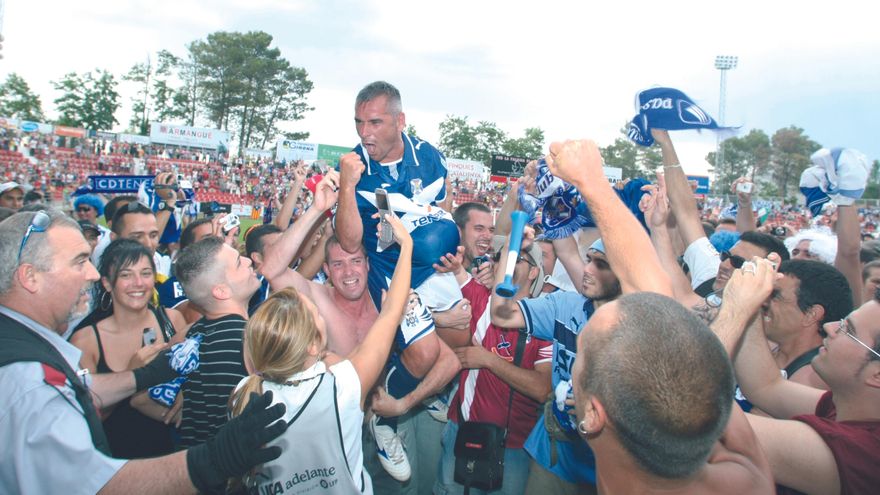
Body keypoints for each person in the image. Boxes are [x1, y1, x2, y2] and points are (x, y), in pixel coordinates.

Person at [0, 210, 288, 494]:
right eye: (79, 262)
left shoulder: (22, 349)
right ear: (30, 277)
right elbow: (96, 486)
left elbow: (84, 389)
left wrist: (144, 376)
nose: (91, 273)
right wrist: (213, 460)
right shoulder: (26, 379)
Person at [491, 139, 671, 492]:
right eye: (588, 259)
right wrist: (516, 237)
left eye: (600, 264)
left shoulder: (646, 327)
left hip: (614, 469)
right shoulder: (567, 306)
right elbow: (502, 313)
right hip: (553, 456)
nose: (586, 270)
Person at [261, 171, 461, 485]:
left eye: (356, 261)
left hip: (388, 428)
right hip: (333, 436)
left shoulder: (386, 298)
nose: (348, 272)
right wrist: (317, 209)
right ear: (325, 270)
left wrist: (401, 405)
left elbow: (449, 360)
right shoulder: (318, 302)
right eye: (338, 264)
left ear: (369, 264)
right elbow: (272, 270)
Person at [231, 212, 413, 495]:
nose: (349, 271)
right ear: (314, 347)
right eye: (316, 316)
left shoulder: (243, 392)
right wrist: (407, 247)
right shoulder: (342, 386)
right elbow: (391, 315)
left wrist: (318, 208)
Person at [569, 292, 774, 494]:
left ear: (593, 414)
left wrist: (736, 309)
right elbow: (706, 383)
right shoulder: (752, 482)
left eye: (581, 350)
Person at [711, 254, 880, 495]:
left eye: (847, 329)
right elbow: (766, 386)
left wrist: (735, 309)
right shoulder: (846, 407)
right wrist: (753, 303)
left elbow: (699, 418)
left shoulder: (865, 453)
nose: (830, 327)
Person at [434, 235, 552, 495]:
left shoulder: (545, 322)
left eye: (517, 258)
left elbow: (542, 388)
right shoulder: (480, 299)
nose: (506, 262)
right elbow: (451, 268)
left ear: (534, 272)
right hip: (463, 429)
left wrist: (488, 360)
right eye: (502, 256)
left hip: (514, 447)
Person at [70, 239, 186, 459]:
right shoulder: (86, 341)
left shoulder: (173, 321)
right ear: (106, 283)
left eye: (145, 273)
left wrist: (185, 393)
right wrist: (132, 376)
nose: (138, 283)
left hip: (173, 457)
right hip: (116, 464)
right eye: (125, 275)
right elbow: (86, 421)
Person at [174, 235, 261, 448]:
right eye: (239, 263)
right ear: (221, 291)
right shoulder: (246, 339)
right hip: (233, 471)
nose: (249, 261)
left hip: (199, 467)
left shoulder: (194, 333)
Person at [760, 260, 852, 389]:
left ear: (811, 314)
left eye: (774, 295)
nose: (763, 301)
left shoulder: (812, 377)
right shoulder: (768, 348)